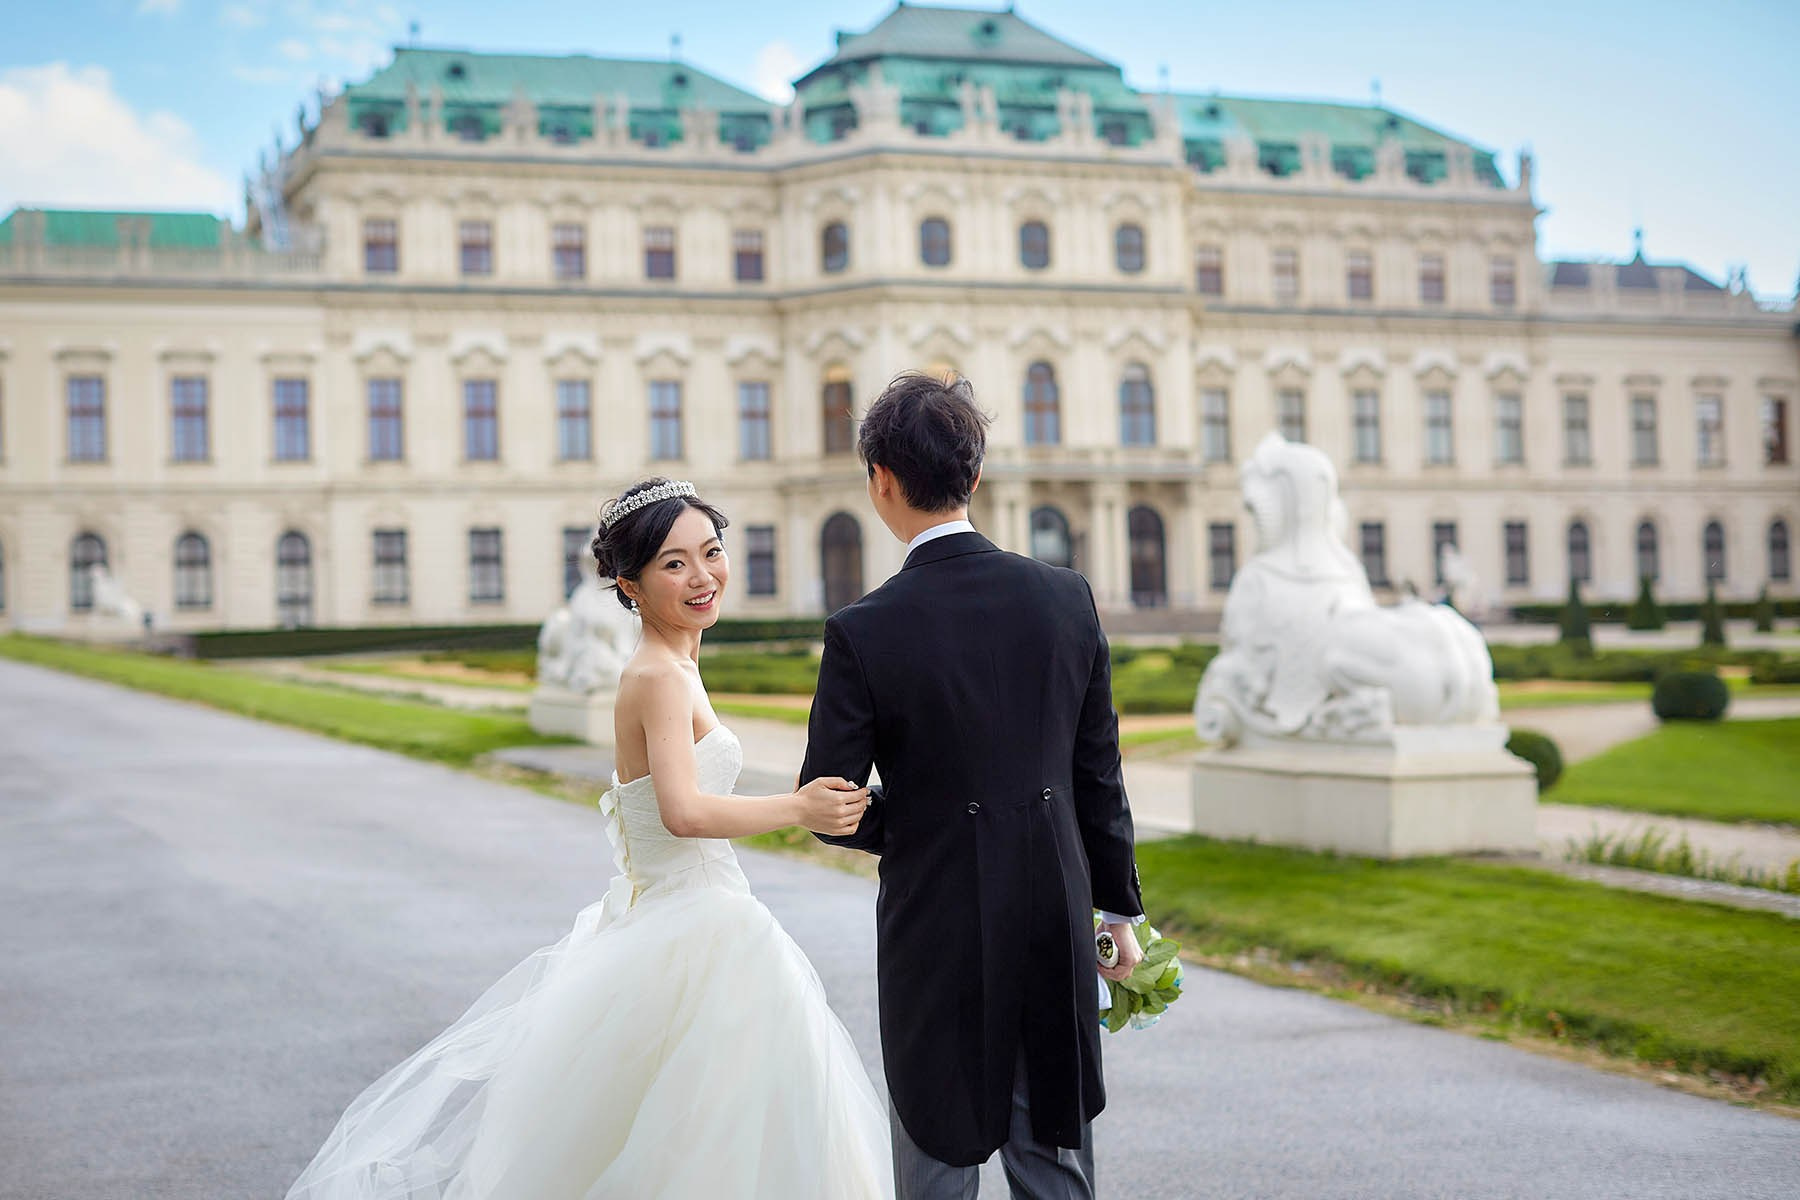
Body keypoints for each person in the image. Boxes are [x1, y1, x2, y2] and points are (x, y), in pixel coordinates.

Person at [286, 477, 892, 1199]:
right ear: (629, 584)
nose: (703, 576)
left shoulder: (679, 663)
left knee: (702, 1129)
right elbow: (684, 812)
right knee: (709, 1133)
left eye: (712, 552)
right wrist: (797, 808)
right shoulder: (658, 676)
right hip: (695, 925)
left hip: (687, 913)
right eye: (675, 563)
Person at [801, 372, 1146, 1200]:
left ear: (881, 481)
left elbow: (832, 805)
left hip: (936, 924)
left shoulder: (863, 629)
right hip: (1052, 912)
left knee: (935, 1169)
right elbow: (1097, 775)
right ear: (976, 476)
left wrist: (917, 821)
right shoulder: (1067, 599)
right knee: (1054, 1165)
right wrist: (1120, 913)